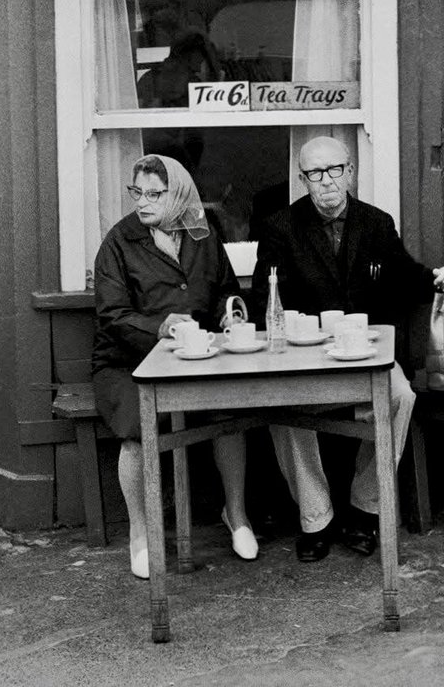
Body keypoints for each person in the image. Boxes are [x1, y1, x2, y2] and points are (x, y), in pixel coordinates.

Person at [250, 135, 444, 564]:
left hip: (367, 352)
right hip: (307, 354)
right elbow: (263, 296)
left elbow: (404, 274)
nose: (325, 181)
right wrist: (298, 329)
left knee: (400, 396)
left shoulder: (376, 223)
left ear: (349, 172)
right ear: (303, 179)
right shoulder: (280, 228)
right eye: (314, 173)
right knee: (282, 409)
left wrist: (437, 279)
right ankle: (316, 518)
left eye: (334, 171)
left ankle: (364, 511)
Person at [94, 153, 258, 579]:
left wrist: (229, 312)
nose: (143, 202)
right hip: (128, 361)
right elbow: (112, 315)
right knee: (136, 429)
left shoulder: (202, 236)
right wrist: (159, 325)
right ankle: (141, 535)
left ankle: (236, 515)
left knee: (230, 415)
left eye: (154, 194)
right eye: (137, 193)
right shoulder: (118, 242)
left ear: (179, 194)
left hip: (195, 354)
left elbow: (222, 287)